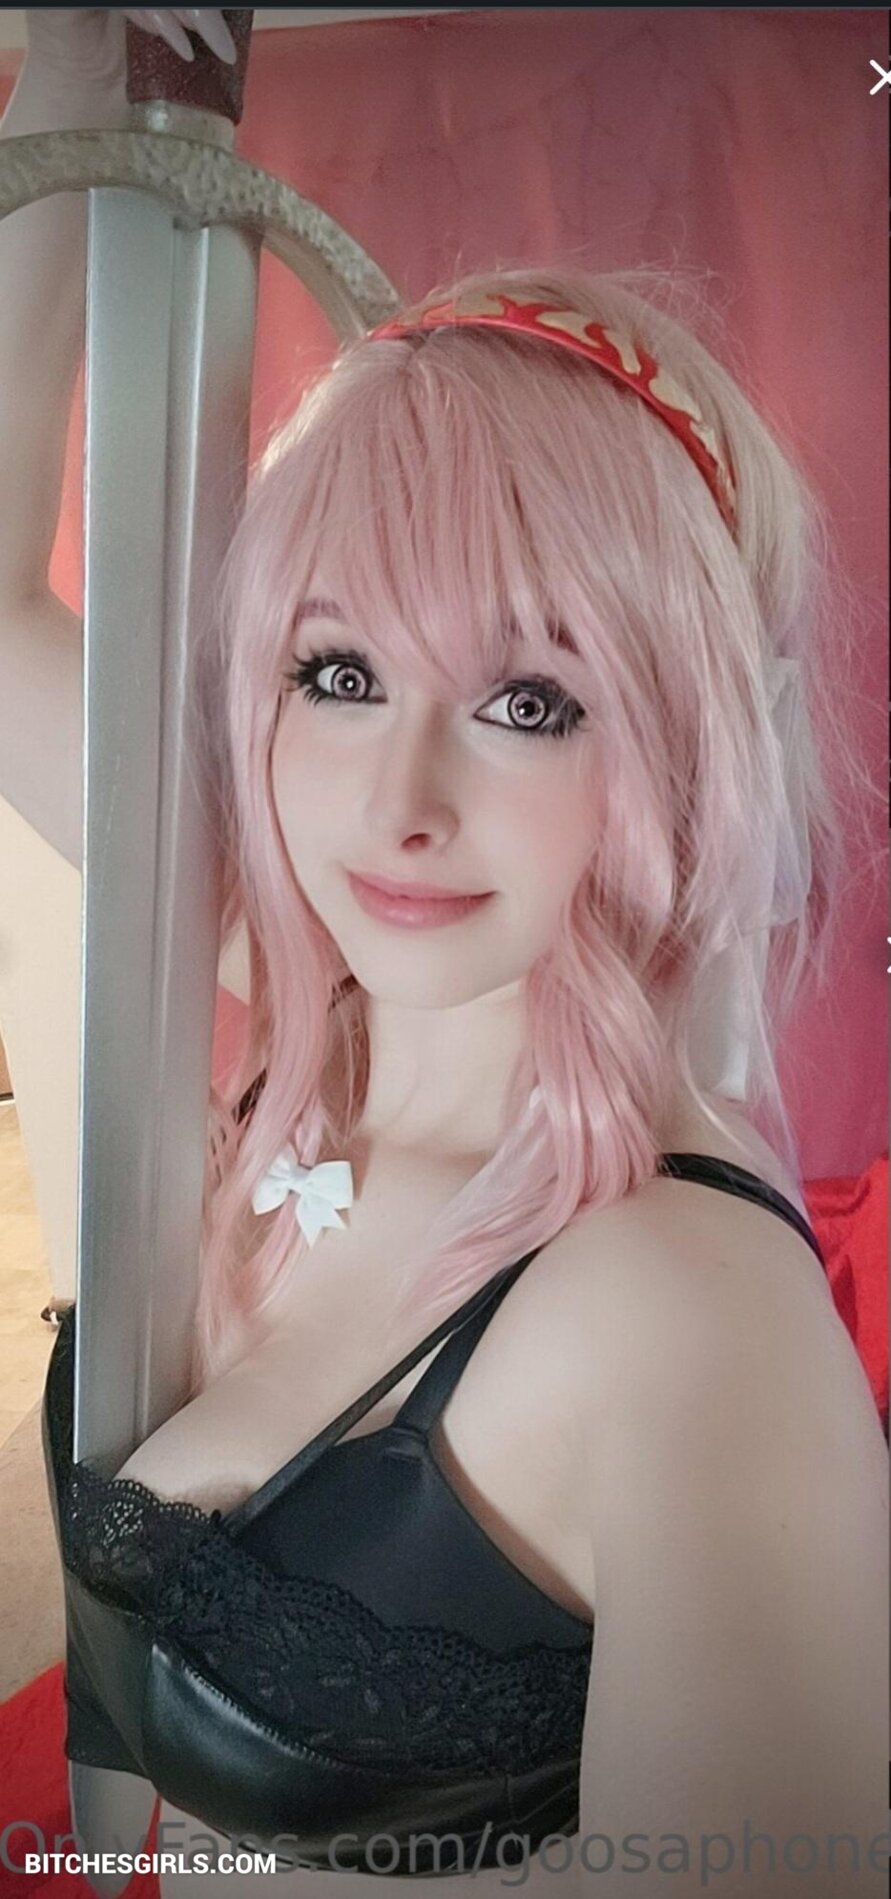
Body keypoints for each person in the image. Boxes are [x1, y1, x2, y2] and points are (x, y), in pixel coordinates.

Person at [3, 11, 887, 1897]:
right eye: (338, 671)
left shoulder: (692, 1332)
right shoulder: (315, 983)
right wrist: (74, 83)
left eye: (529, 701)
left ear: (681, 746)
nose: (395, 803)